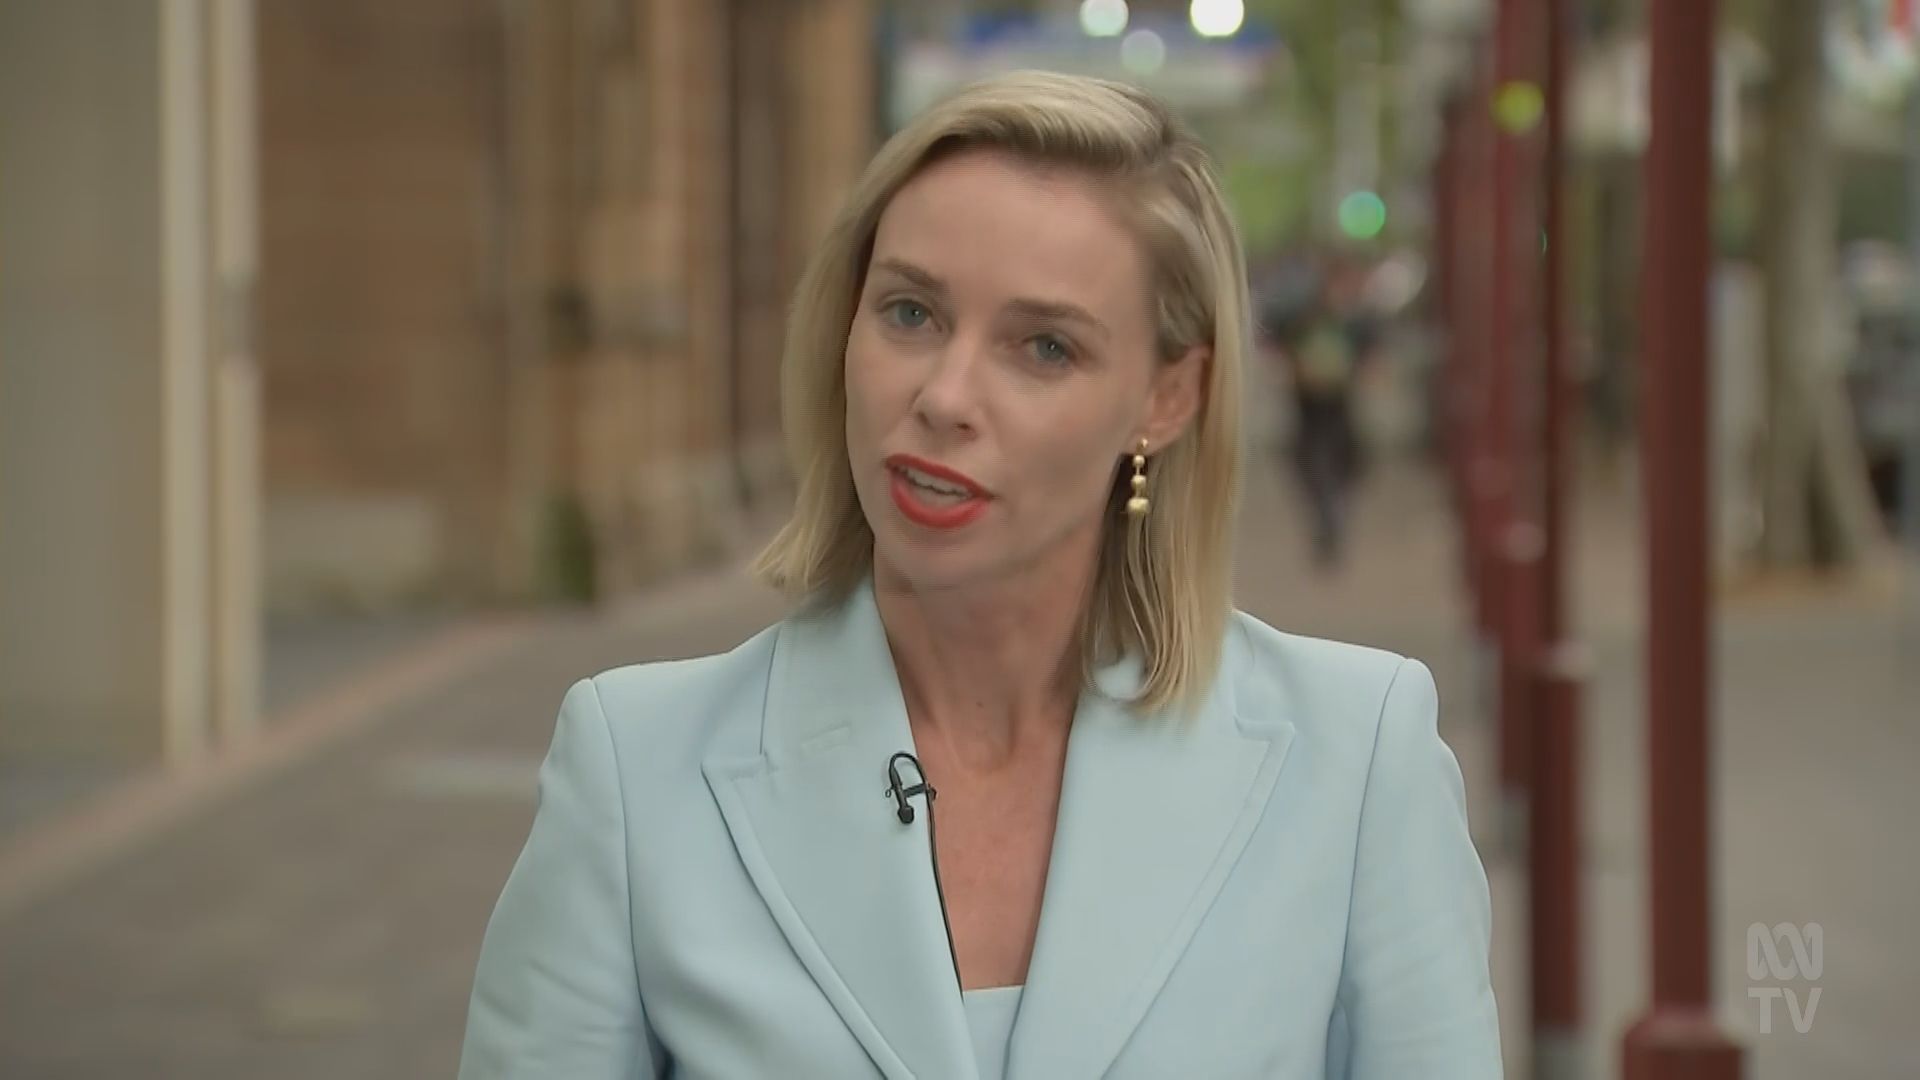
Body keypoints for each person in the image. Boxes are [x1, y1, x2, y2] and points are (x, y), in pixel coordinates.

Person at [457, 71, 1500, 1080]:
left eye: (1043, 347)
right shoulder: (636, 770)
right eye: (911, 313)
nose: (946, 397)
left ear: (1168, 398)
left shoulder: (1357, 761)